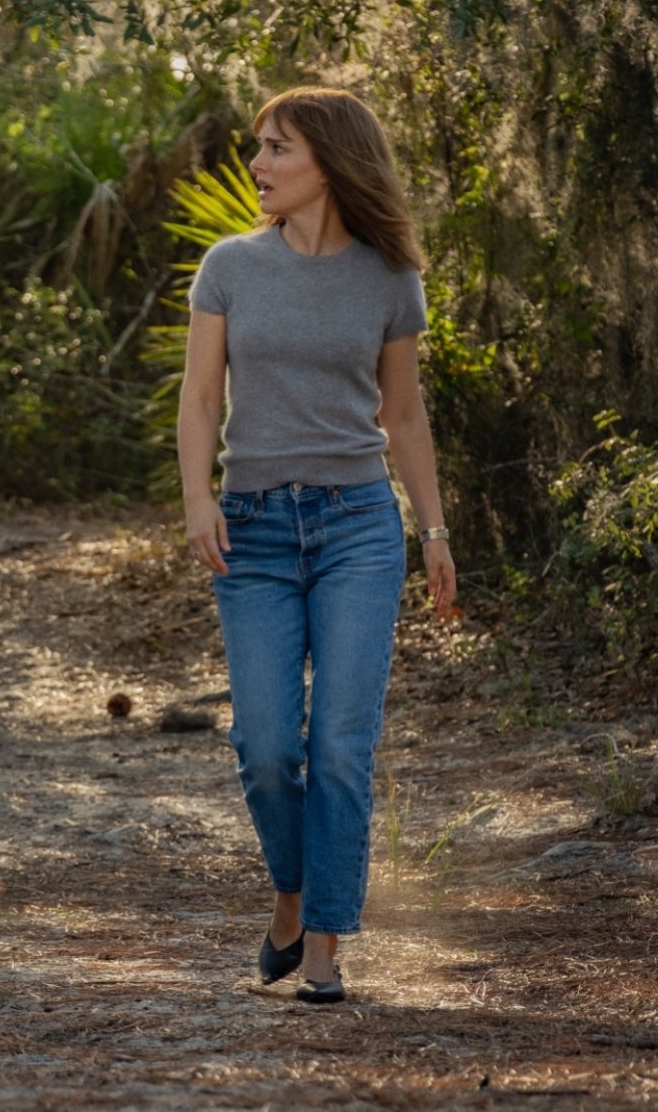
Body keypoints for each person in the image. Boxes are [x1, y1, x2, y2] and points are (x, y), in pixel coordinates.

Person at [177, 87, 458, 1004]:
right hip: (254, 527)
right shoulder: (228, 267)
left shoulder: (388, 276)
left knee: (340, 743)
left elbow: (404, 414)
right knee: (265, 745)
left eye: (275, 150)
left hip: (357, 528)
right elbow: (200, 399)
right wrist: (196, 498)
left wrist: (434, 531)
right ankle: (291, 894)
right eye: (259, 148)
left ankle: (328, 945)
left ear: (329, 163)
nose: (257, 165)